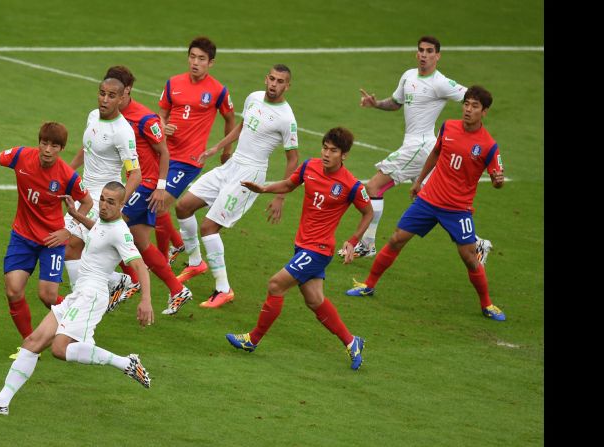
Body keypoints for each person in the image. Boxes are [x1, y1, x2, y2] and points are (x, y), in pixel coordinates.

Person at [0, 182, 154, 416]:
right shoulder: (104, 224)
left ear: (122, 205)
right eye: (103, 199)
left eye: (111, 202)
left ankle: (126, 363)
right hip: (78, 294)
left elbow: (140, 266)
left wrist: (145, 300)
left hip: (92, 296)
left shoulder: (121, 232)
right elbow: (99, 231)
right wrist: (77, 215)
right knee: (33, 341)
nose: (104, 205)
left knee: (60, 348)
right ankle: (1, 401)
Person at [345, 86, 507, 322]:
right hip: (429, 200)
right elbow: (435, 153)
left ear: (484, 112)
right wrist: (419, 181)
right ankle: (368, 285)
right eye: (466, 104)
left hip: (458, 209)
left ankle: (487, 304)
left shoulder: (488, 145)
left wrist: (498, 180)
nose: (468, 110)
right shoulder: (448, 127)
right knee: (396, 239)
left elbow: (497, 180)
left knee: (470, 258)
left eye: (474, 106)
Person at [225, 126, 373, 371]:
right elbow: (288, 184)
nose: (326, 154)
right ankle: (352, 341)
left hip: (319, 249)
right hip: (302, 245)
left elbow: (368, 212)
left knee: (275, 284)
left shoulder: (351, 185)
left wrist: (353, 240)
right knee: (315, 301)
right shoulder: (309, 166)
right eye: (324, 148)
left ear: (344, 155)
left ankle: (252, 339)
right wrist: (264, 189)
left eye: (333, 151)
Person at [341, 35, 493, 265]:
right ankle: (477, 242)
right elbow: (395, 102)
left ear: (437, 56)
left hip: (420, 146)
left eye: (429, 51)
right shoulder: (408, 76)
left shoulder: (440, 83)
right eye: (421, 50)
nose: (424, 54)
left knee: (373, 186)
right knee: (436, 202)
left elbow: (471, 97)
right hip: (420, 147)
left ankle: (367, 244)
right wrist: (376, 104)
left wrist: (469, 128)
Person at [173, 64, 299, 309]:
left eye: (280, 81)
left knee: (209, 227)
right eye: (272, 79)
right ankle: (196, 262)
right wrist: (217, 148)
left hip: (250, 174)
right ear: (266, 78)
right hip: (231, 166)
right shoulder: (253, 97)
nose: (274, 84)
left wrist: (281, 196)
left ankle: (223, 289)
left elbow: (293, 158)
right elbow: (243, 126)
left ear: (287, 86)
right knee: (183, 206)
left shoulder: (286, 118)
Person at [0, 122, 93, 354]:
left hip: (51, 242)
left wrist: (69, 230)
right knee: (13, 290)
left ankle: (81, 319)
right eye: (44, 143)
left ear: (61, 148)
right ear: (39, 143)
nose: (47, 150)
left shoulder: (67, 175)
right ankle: (29, 344)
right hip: (22, 236)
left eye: (54, 146)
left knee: (48, 296)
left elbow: (87, 202)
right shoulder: (22, 156)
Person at [99, 65, 194, 316]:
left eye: (115, 92)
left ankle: (127, 280)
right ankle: (177, 289)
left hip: (145, 185)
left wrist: (161, 188)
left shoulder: (145, 118)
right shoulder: (114, 117)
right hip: (131, 182)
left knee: (108, 226)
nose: (109, 97)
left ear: (126, 91)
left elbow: (164, 152)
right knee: (140, 243)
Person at [155, 36, 235, 264]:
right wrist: (162, 125)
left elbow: (230, 119)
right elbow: (161, 114)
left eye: (201, 58)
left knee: (160, 205)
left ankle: (165, 257)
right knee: (153, 204)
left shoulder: (218, 91)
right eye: (192, 57)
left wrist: (225, 150)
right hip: (165, 154)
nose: (195, 62)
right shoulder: (173, 83)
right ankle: (179, 246)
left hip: (189, 159)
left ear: (211, 63)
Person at [62, 77, 142, 294]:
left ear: (121, 99)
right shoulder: (93, 116)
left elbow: (135, 173)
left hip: (102, 198)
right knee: (69, 247)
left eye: (111, 95)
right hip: (84, 193)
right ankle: (114, 280)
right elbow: (87, 148)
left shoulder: (122, 132)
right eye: (102, 93)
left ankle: (79, 297)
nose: (104, 99)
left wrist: (118, 202)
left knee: (70, 247)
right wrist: (67, 173)